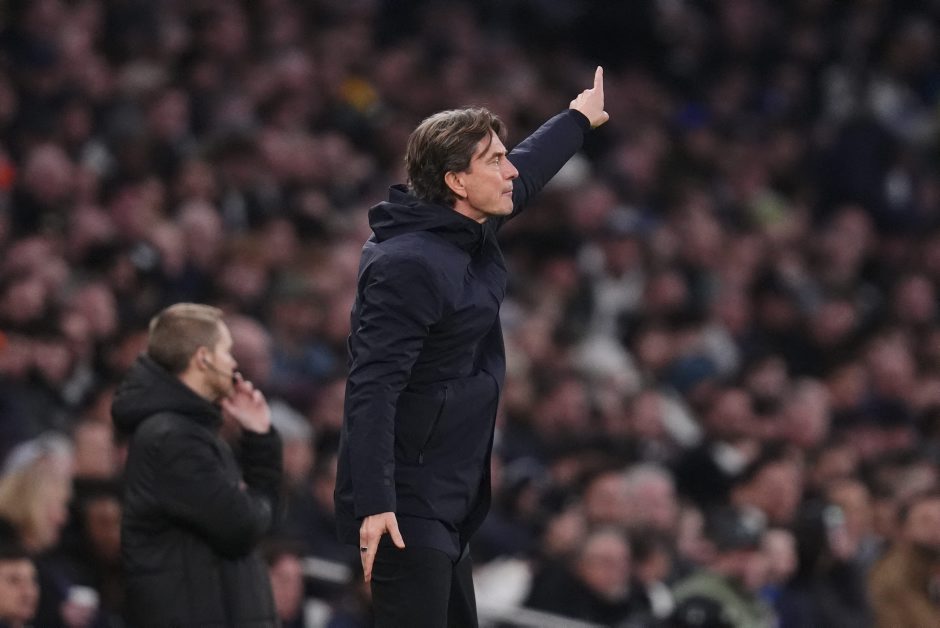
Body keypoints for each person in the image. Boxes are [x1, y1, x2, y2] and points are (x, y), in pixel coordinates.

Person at [334, 67, 609, 626]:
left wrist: (577, 119)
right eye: (494, 161)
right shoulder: (407, 263)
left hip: (447, 499)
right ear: (457, 182)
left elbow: (527, 174)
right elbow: (372, 385)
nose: (510, 171)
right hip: (405, 505)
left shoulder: (465, 229)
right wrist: (375, 504)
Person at [111, 303, 283, 628]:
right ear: (203, 358)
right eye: (226, 351)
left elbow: (252, 520)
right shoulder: (171, 439)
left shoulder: (189, 432)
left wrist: (258, 438)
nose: (233, 363)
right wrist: (256, 485)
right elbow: (242, 526)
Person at [868, 491, 940, 628]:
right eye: (926, 520)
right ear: (902, 530)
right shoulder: (890, 577)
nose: (937, 528)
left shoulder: (932, 570)